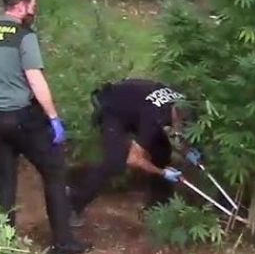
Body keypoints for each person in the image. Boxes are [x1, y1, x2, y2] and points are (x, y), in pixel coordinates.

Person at [0, 0, 92, 254]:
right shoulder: (23, 36)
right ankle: (63, 243)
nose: (33, 10)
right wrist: (54, 118)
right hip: (23, 119)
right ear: (20, 6)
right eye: (32, 5)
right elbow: (35, 80)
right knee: (54, 171)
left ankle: (3, 244)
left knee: (3, 181)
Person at [67, 77, 187, 226]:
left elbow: (182, 134)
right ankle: (72, 204)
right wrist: (162, 172)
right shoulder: (153, 118)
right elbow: (134, 160)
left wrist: (189, 152)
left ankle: (158, 207)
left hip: (136, 106)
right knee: (115, 162)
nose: (181, 128)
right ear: (176, 115)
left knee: (162, 151)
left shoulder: (183, 103)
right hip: (113, 108)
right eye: (180, 124)